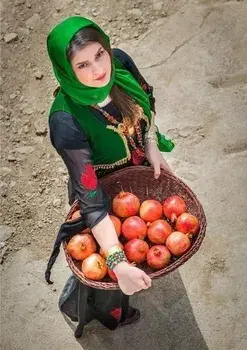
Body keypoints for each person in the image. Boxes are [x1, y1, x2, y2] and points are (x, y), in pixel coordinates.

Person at [45, 16, 174, 338]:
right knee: (106, 270)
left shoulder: (121, 63)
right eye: (83, 65)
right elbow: (89, 198)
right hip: (99, 189)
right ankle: (98, 309)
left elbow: (147, 102)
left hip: (140, 170)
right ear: (65, 70)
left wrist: (151, 144)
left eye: (100, 54)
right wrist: (116, 262)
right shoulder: (66, 120)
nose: (99, 70)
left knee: (144, 241)